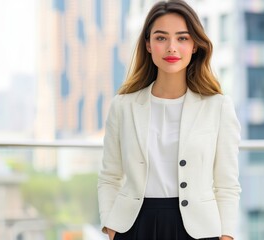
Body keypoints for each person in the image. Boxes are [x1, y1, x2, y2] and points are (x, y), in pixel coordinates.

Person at [98, 0, 241, 239]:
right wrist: (111, 228)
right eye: (161, 38)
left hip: (199, 229)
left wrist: (226, 235)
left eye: (182, 38)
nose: (171, 47)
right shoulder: (123, 106)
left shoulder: (218, 107)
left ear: (195, 45)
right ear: (149, 44)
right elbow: (109, 176)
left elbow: (227, 185)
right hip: (134, 226)